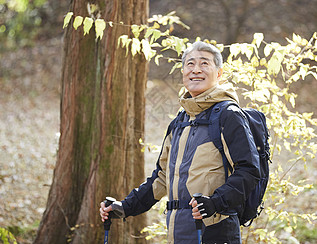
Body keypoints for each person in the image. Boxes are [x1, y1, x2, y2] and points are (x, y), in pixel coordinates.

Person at [100, 41, 261, 244]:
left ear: (219, 73)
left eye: (204, 64)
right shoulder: (180, 121)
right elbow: (161, 178)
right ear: (183, 72)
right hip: (178, 230)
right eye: (190, 64)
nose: (196, 70)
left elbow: (249, 170)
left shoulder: (229, 115)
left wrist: (215, 203)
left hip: (216, 231)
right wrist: (125, 207)